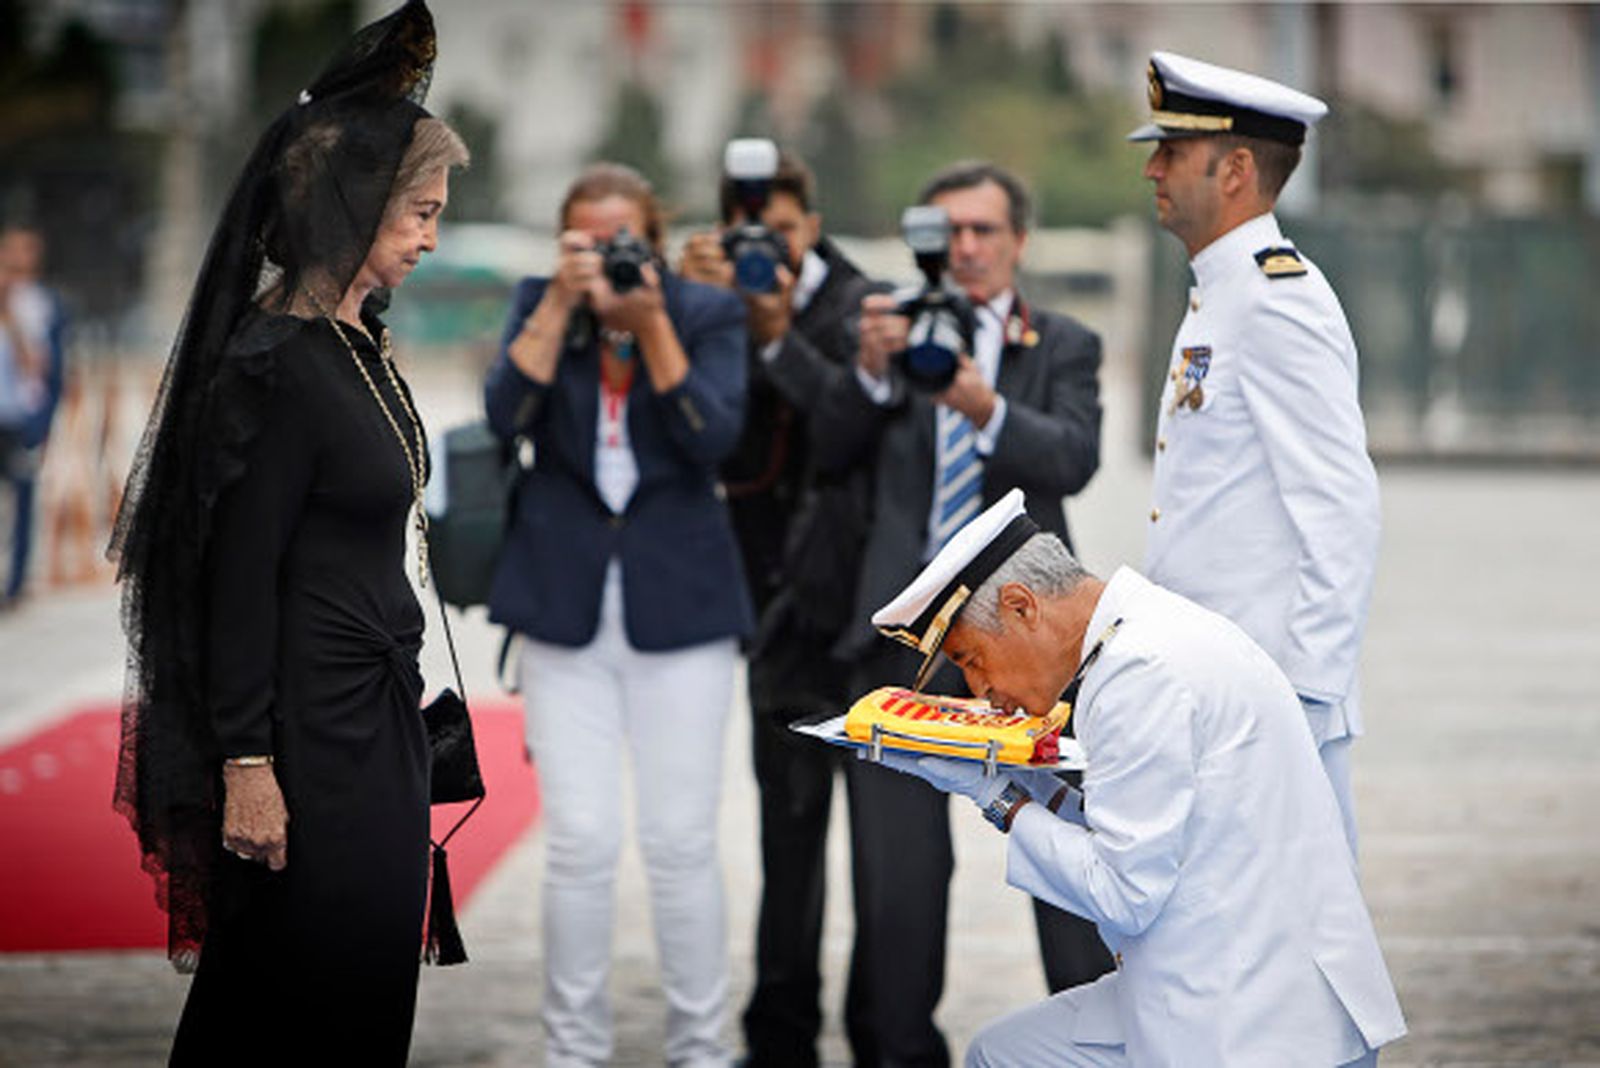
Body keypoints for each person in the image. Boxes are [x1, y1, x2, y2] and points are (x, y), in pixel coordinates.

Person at [108, 3, 469, 1063]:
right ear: (354, 205)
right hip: (305, 738)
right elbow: (233, 580)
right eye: (420, 214)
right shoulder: (273, 363)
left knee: (357, 994)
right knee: (291, 996)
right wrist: (249, 764)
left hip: (379, 718)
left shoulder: (357, 339)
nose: (431, 237)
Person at [871, 490, 1407, 1066]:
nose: (981, 691)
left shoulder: (1137, 673)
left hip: (1259, 1023)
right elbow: (1141, 827)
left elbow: (1124, 893)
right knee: (1001, 1053)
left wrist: (996, 796)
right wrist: (1028, 786)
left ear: (1022, 606)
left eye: (972, 659)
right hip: (1229, 976)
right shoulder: (1143, 632)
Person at [810, 161, 1105, 1065]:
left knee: (1065, 870)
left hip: (1027, 653)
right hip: (898, 638)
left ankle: (1097, 1037)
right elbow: (826, 453)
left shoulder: (1060, 342)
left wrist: (985, 406)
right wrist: (866, 373)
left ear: (1019, 240)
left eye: (983, 231)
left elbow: (1072, 459)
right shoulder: (892, 337)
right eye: (948, 233)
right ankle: (896, 1051)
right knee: (896, 885)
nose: (966, 248)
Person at [484, 162, 750, 1068]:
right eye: (583, 243)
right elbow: (501, 415)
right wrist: (562, 305)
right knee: (581, 844)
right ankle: (573, 1052)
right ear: (561, 244)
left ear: (656, 240)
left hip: (682, 609)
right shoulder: (538, 304)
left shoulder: (704, 312)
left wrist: (653, 326)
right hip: (563, 610)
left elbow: (715, 437)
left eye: (620, 242)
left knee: (680, 842)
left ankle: (703, 1049)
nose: (602, 258)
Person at [1132, 51, 1381, 853]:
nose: (1153, 169)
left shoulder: (1276, 302)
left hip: (1267, 701)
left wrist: (1303, 698)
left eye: (1172, 151)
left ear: (1236, 168)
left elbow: (1339, 512)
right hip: (1218, 691)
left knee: (1295, 951)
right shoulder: (1222, 291)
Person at [678, 147, 880, 1068]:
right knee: (788, 844)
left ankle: (884, 1032)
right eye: (756, 240)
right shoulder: (714, 306)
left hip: (871, 616)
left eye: (787, 236)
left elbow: (846, 423)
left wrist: (772, 332)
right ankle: (780, 1039)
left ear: (816, 224)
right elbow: (699, 438)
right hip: (777, 616)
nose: (775, 257)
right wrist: (691, 313)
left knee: (886, 861)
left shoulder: (862, 304)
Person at [0, 224, 60, 607]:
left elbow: (40, 366)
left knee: (22, 499)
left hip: (17, 417)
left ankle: (15, 583)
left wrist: (9, 315)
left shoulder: (36, 304)